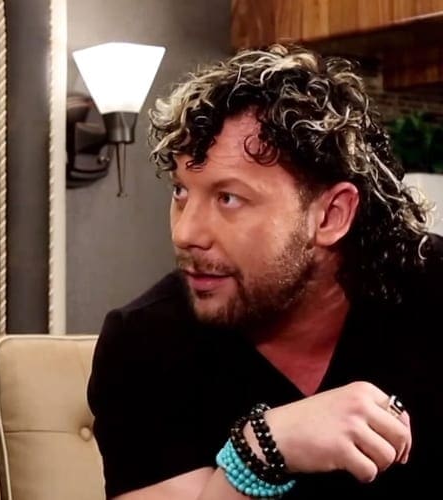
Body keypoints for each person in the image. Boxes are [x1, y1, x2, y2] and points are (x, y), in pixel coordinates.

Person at [87, 43, 443, 499]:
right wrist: (260, 450)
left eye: (228, 198)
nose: (186, 232)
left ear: (331, 215)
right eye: (180, 191)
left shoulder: (433, 293)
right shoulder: (144, 341)